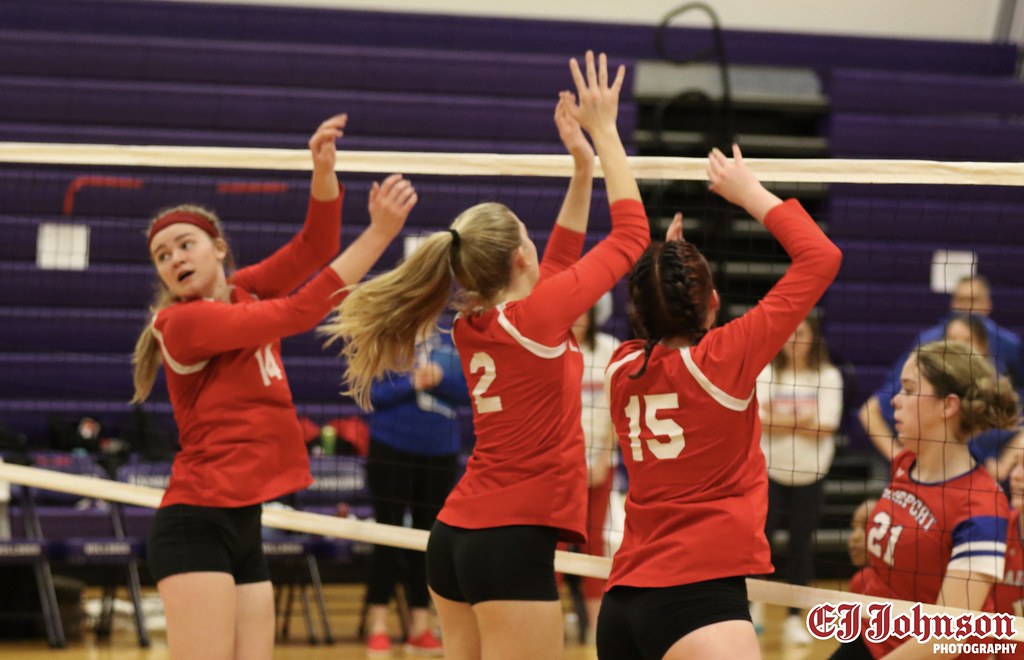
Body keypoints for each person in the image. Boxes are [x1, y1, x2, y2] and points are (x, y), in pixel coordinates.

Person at [322, 51, 650, 659]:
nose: (539, 244)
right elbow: (632, 236)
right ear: (519, 258)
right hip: (508, 542)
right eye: (530, 235)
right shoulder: (534, 318)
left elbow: (561, 260)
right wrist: (605, 134)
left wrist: (582, 168)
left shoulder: (480, 322)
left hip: (456, 538)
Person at [131, 114, 417, 660]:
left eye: (184, 244)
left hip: (243, 520)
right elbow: (302, 310)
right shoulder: (180, 324)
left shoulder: (243, 290)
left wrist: (323, 171)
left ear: (219, 249)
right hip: (195, 523)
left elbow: (316, 245)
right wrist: (381, 233)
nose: (174, 260)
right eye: (162, 256)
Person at [600, 144, 842, 660]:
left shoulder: (620, 368)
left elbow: (656, 327)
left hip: (622, 603)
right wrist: (747, 191)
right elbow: (822, 256)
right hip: (700, 603)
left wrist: (666, 274)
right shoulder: (722, 362)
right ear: (712, 302)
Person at [835, 340, 1019, 660]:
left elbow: (948, 636)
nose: (894, 401)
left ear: (948, 406)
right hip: (874, 638)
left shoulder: (982, 507)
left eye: (908, 390)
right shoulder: (906, 462)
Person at [363, 329, 468, 657]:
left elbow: (469, 392)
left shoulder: (452, 343)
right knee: (388, 536)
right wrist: (412, 383)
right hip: (391, 448)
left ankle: (420, 627)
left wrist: (439, 379)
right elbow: (371, 394)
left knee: (429, 539)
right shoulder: (388, 339)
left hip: (439, 452)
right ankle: (378, 624)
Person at [859, 275, 1022, 461]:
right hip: (930, 467)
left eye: (973, 300)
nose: (967, 308)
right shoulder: (928, 345)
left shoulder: (1008, 346)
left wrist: (1003, 462)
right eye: (961, 300)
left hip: (979, 468)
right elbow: (871, 410)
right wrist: (898, 457)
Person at [756, 313, 844, 645]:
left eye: (801, 333)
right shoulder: (767, 372)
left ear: (812, 337)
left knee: (800, 547)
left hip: (810, 474)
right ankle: (755, 608)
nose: (794, 339)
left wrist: (779, 418)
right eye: (789, 334)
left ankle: (795, 618)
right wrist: (803, 419)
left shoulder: (828, 376)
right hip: (770, 472)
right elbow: (758, 420)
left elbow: (828, 426)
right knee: (759, 543)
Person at [568, 294, 619, 642]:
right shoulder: (553, 350)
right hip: (562, 466)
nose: (577, 318)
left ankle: (596, 626)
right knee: (553, 547)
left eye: (583, 312)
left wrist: (602, 458)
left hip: (600, 462)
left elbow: (619, 408)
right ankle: (552, 621)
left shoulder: (610, 349)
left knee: (594, 544)